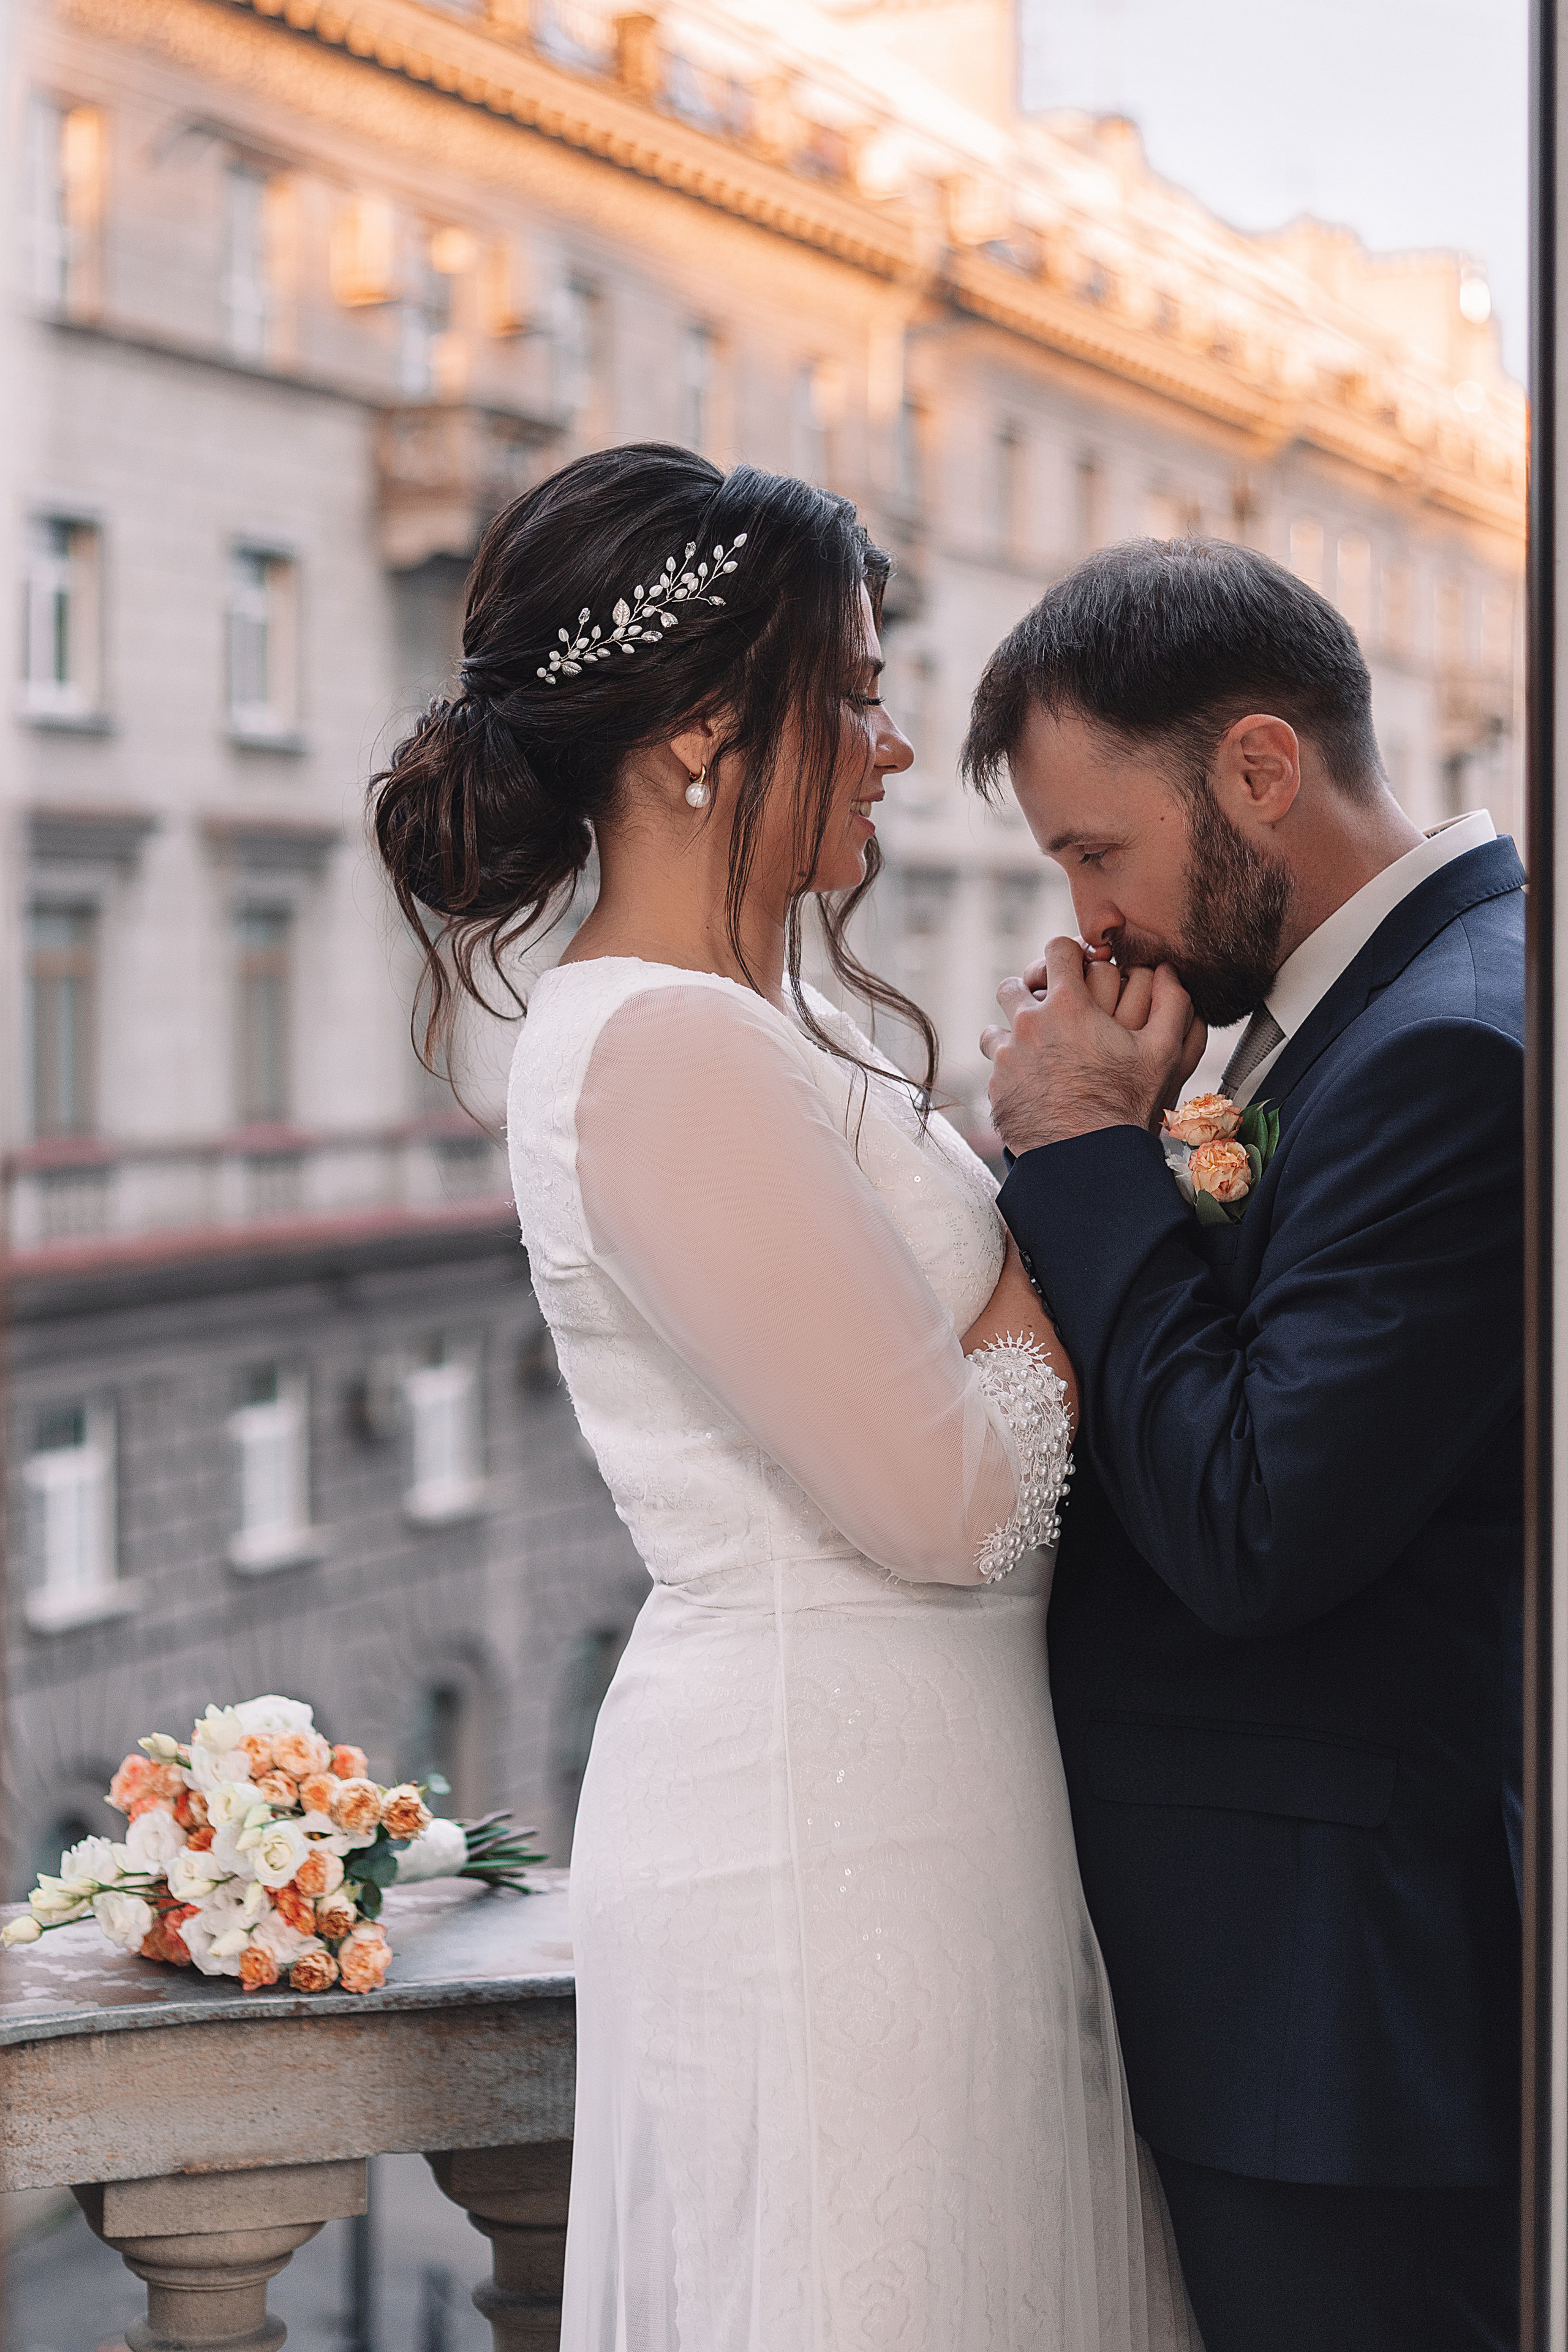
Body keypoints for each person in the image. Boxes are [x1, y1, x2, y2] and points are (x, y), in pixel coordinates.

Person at [371, 445, 1201, 2350]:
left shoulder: (764, 1025)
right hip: (824, 1832)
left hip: (930, 1794)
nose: (894, 744)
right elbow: (954, 1505)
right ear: (704, 729)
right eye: (854, 691)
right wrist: (1068, 1168)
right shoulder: (653, 1045)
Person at [966, 536, 1523, 2352]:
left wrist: (1079, 1153)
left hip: (1336, 2027)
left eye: (1095, 851)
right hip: (1274, 2004)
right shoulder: (1367, 1016)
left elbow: (1256, 1520)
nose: (1092, 920)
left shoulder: (1455, 1048)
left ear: (1261, 770)